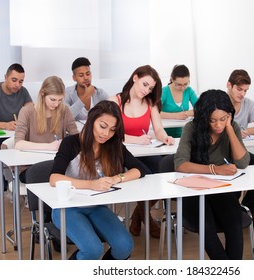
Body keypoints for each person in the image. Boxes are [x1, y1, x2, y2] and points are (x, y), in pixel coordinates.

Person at [50, 100, 149, 260]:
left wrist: (117, 178)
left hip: (96, 207)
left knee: (125, 247)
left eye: (112, 130)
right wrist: (91, 185)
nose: (106, 134)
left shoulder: (113, 145)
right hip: (68, 207)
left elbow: (140, 169)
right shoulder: (71, 143)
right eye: (102, 126)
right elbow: (54, 178)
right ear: (91, 120)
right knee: (93, 250)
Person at [174, 89, 250, 259]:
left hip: (220, 189)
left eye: (223, 119)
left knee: (234, 222)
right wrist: (215, 169)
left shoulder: (232, 127)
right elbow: (180, 164)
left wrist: (229, 128)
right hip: (193, 190)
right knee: (206, 226)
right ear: (204, 118)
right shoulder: (192, 128)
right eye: (212, 120)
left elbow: (243, 162)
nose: (218, 125)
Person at [109, 65, 174, 238]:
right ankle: (148, 220)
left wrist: (165, 137)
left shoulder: (150, 104)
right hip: (120, 153)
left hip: (144, 151)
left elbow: (158, 129)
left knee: (161, 172)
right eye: (145, 84)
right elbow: (110, 133)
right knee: (144, 173)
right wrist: (135, 139)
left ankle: (138, 216)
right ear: (135, 78)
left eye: (150, 88)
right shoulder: (115, 102)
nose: (146, 91)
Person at [227, 69, 254, 228]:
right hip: (221, 154)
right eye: (239, 89)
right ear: (229, 85)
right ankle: (231, 211)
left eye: (245, 90)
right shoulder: (219, 102)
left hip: (240, 153)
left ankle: (248, 208)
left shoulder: (248, 104)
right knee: (234, 172)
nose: (242, 94)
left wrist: (247, 131)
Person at [0, 63, 33, 192]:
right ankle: (2, 189)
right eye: (14, 80)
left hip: (18, 136)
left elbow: (32, 113)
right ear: (6, 77)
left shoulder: (23, 92)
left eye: (21, 81)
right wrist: (5, 125)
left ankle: (26, 188)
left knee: (33, 154)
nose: (17, 85)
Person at [14, 76, 78, 182]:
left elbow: (76, 138)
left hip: (56, 165)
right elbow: (18, 144)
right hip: (31, 167)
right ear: (43, 93)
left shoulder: (64, 110)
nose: (56, 104)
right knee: (55, 176)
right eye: (52, 99)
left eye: (60, 100)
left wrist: (68, 143)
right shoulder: (26, 112)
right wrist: (49, 146)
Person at [65, 57, 109, 122]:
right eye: (81, 75)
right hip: (75, 131)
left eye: (88, 74)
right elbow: (65, 117)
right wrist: (86, 96)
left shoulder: (100, 93)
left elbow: (112, 112)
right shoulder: (67, 93)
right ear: (74, 78)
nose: (86, 78)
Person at [160, 64, 198, 137]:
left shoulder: (189, 91)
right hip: (164, 134)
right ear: (172, 80)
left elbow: (201, 109)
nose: (183, 87)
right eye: (179, 84)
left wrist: (186, 113)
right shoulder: (164, 92)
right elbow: (155, 113)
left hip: (184, 134)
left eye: (185, 84)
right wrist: (175, 115)